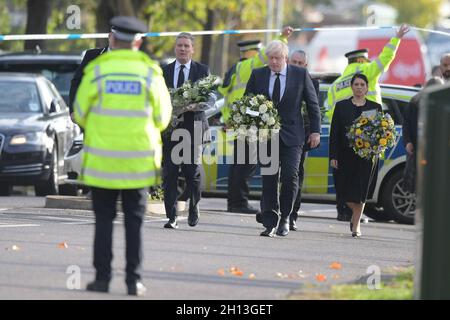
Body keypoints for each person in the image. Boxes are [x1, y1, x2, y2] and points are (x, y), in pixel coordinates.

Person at [73, 16, 172, 296]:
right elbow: (163, 118)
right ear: (138, 42)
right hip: (137, 165)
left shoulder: (97, 70)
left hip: (102, 164)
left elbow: (80, 112)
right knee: (134, 223)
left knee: (103, 221)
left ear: (113, 39)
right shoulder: (151, 73)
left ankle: (102, 279)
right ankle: (133, 281)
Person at [327, 23, 410, 221]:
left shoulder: (335, 85)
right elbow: (385, 58)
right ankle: (356, 214)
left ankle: (344, 211)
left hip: (342, 138)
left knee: (344, 176)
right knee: (362, 178)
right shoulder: (367, 72)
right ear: (363, 59)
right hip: (368, 136)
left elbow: (331, 116)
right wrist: (396, 38)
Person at [245, 40, 321, 237]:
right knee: (269, 178)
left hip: (293, 135)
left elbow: (313, 104)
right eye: (271, 58)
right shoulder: (258, 74)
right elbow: (247, 101)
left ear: (285, 58)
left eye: (278, 58)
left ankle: (286, 217)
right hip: (266, 136)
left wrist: (315, 131)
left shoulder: (300, 74)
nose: (274, 62)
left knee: (290, 176)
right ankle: (270, 222)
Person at [220, 27, 294, 214]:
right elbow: (268, 54)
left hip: (238, 121)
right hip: (248, 122)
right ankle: (239, 203)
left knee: (239, 164)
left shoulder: (234, 69)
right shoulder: (251, 66)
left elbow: (224, 96)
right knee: (246, 165)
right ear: (254, 51)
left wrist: (228, 119)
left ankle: (234, 202)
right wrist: (282, 37)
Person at [162, 32, 209, 229]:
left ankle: (194, 206)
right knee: (170, 173)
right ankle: (171, 216)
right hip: (171, 129)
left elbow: (207, 99)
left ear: (192, 49)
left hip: (194, 127)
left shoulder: (202, 70)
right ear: (175, 48)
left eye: (186, 46)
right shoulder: (164, 71)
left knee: (192, 172)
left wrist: (192, 105)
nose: (182, 49)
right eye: (179, 45)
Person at [329, 74, 382, 238]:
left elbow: (381, 132)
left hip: (367, 157)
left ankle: (356, 224)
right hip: (345, 156)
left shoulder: (375, 107)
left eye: (362, 84)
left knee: (361, 192)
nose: (359, 87)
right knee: (344, 192)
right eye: (356, 84)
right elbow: (335, 133)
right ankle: (355, 215)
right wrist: (333, 156)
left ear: (367, 87)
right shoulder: (341, 106)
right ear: (351, 87)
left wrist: (379, 146)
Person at [287, 49, 320, 231]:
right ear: (288, 61)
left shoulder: (311, 83)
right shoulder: (279, 77)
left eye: (301, 63)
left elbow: (313, 108)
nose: (297, 66)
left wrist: (313, 132)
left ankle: (292, 215)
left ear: (306, 66)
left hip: (299, 136)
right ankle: (272, 211)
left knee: (295, 175)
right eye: (294, 62)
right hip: (276, 133)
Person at [402, 77, 444, 194]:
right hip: (419, 149)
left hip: (436, 152)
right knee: (418, 185)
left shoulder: (443, 104)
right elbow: (406, 125)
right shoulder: (415, 103)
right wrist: (408, 142)